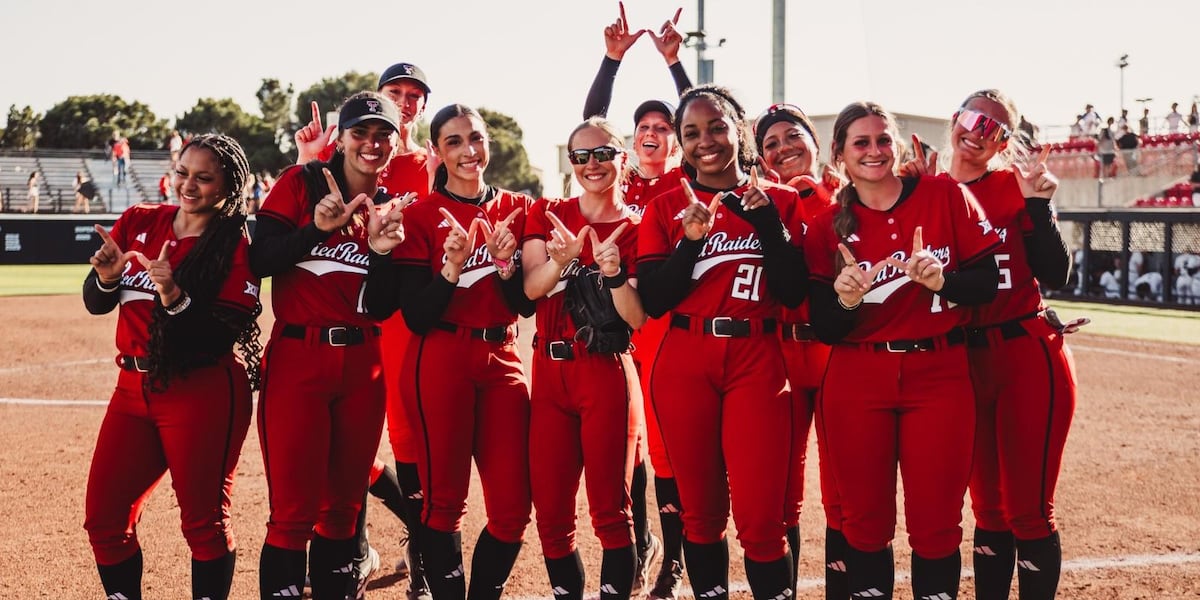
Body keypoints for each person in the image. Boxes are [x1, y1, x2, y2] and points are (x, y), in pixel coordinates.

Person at [804, 101, 1002, 600]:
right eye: (861, 143)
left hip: (940, 372)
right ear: (840, 155)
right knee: (865, 523)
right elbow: (823, 324)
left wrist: (944, 281)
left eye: (883, 140)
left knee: (936, 523)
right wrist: (846, 299)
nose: (874, 151)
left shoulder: (942, 195)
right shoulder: (828, 225)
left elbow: (986, 283)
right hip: (858, 377)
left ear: (897, 144)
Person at [636, 84, 809, 600]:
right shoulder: (666, 205)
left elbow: (794, 291)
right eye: (690, 132)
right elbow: (656, 300)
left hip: (758, 360)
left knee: (762, 520)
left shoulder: (779, 201)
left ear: (739, 130)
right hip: (686, 361)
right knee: (701, 518)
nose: (705, 140)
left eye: (716, 127)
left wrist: (767, 225)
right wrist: (690, 242)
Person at [363, 103, 535, 600]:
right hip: (440, 360)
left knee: (511, 510)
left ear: (488, 144)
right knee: (443, 506)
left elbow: (522, 305)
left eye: (475, 138)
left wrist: (505, 265)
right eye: (454, 141)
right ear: (436, 151)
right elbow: (415, 314)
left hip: (503, 361)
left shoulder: (516, 208)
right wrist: (451, 268)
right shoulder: (417, 215)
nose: (468, 150)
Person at [82, 133, 261, 600]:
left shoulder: (232, 243)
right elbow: (96, 302)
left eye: (204, 178)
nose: (189, 184)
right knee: (104, 518)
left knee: (203, 524)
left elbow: (216, 337)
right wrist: (106, 278)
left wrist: (174, 296)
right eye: (183, 172)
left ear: (227, 187)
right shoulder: (141, 219)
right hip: (131, 389)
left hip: (201, 390)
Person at [250, 92, 405, 600]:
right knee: (294, 512)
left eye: (383, 134)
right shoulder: (302, 183)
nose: (371, 143)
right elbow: (260, 261)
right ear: (341, 138)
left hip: (363, 364)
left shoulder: (390, 205)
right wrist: (315, 231)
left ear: (396, 143)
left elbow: (380, 305)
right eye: (360, 132)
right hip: (300, 357)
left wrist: (381, 252)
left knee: (342, 510)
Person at [295, 61, 437, 597]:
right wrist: (306, 160)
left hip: (399, 318)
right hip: (339, 315)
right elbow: (301, 221)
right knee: (336, 445)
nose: (404, 100)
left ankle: (421, 549)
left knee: (403, 443)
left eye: (414, 94)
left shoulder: (428, 163)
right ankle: (352, 554)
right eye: (394, 91)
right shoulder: (341, 155)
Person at [937, 89, 1079, 600]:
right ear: (955, 118)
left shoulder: (1015, 186)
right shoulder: (928, 189)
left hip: (1023, 352)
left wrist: (1039, 205)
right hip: (961, 360)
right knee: (988, 509)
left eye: (995, 129)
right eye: (974, 118)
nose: (978, 132)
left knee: (1029, 509)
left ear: (1004, 143)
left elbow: (1055, 274)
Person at [580, 5, 695, 596]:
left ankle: (673, 559)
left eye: (665, 126)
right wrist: (613, 59)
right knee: (636, 452)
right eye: (643, 126)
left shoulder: (687, 184)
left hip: (672, 330)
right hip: (628, 331)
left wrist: (676, 67)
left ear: (678, 137)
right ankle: (650, 538)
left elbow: (713, 117)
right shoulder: (619, 179)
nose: (652, 132)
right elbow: (592, 126)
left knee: (672, 452)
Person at [521, 117, 646, 600]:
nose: (592, 164)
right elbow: (532, 289)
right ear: (570, 162)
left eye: (603, 154)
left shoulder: (635, 227)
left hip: (604, 369)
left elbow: (634, 318)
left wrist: (611, 273)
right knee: (551, 512)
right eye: (581, 156)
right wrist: (562, 259)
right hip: (549, 372)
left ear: (622, 156)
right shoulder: (549, 212)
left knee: (611, 512)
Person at [752, 102, 849, 600]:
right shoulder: (760, 203)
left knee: (843, 493)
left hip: (837, 356)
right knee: (781, 495)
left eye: (793, 137)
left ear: (815, 142)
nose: (784, 148)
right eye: (770, 143)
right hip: (782, 355)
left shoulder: (851, 196)